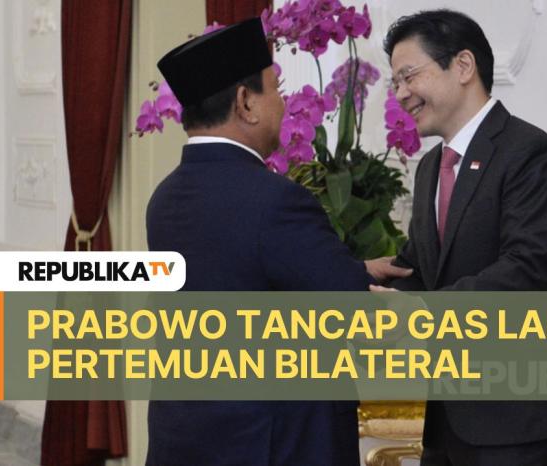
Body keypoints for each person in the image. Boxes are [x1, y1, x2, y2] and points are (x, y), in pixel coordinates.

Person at [145, 18, 410, 466]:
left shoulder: (164, 198)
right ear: (246, 102)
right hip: (270, 444)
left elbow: (241, 278)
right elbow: (348, 305)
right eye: (276, 90)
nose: (284, 105)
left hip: (187, 439)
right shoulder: (275, 200)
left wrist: (359, 269)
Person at [378, 9, 547, 466]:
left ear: (463, 66)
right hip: (447, 418)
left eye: (409, 76)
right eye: (395, 83)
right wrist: (353, 278)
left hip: (515, 418)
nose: (401, 94)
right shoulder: (431, 167)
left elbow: (528, 270)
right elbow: (420, 268)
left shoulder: (527, 151)